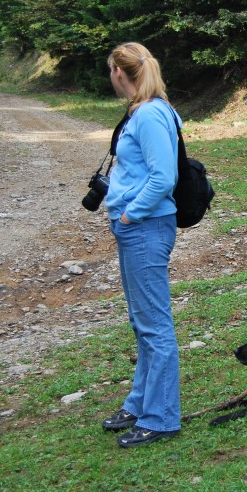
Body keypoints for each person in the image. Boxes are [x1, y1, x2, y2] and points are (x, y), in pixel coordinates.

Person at [100, 42, 183, 448]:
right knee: (143, 322)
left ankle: (162, 418)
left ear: (120, 72)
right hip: (139, 226)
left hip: (145, 227)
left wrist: (131, 214)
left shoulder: (149, 113)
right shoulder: (146, 109)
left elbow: (163, 177)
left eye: (110, 71)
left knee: (154, 326)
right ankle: (139, 404)